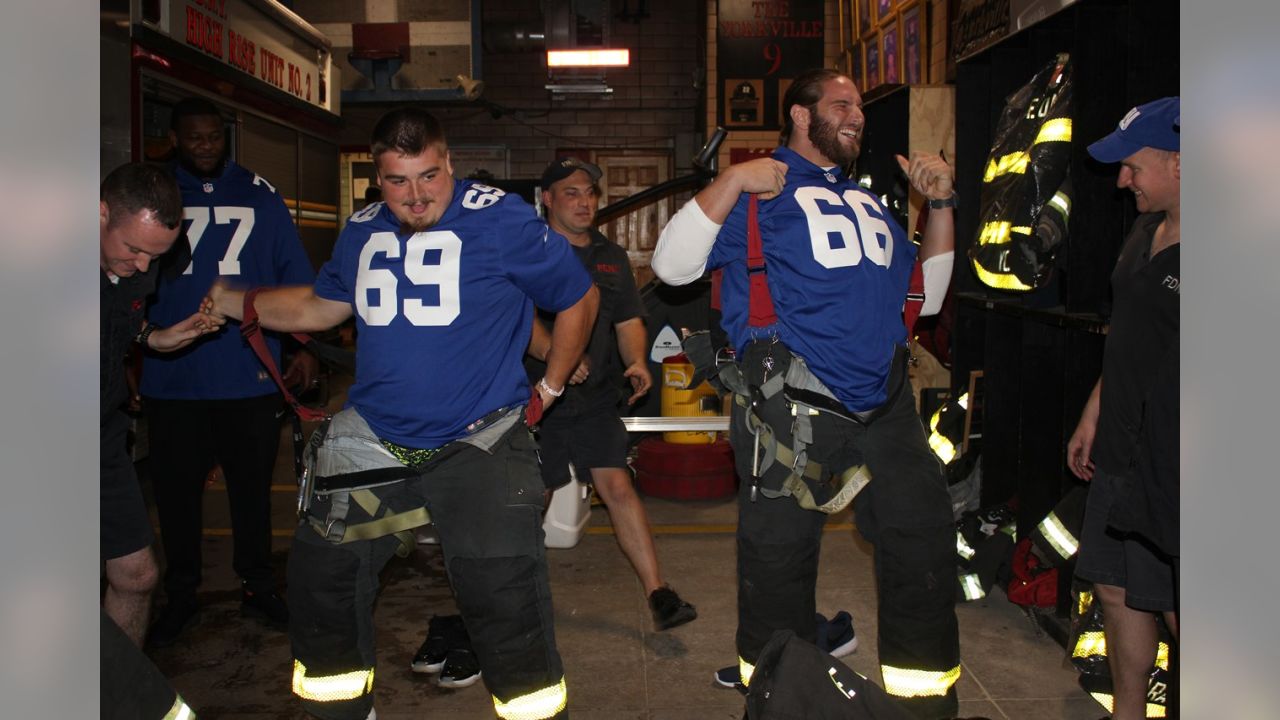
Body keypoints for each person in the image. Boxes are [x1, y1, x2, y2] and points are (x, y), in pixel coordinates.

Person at [204, 107, 598, 720]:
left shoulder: (502, 220)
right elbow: (319, 308)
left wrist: (547, 390)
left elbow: (579, 296)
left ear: (449, 164)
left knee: (502, 599)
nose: (415, 197)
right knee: (321, 585)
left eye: (429, 177)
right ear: (376, 176)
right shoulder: (360, 229)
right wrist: (235, 300)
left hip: (481, 437)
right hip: (375, 437)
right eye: (397, 181)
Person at [651, 68, 963, 719]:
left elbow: (925, 297)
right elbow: (671, 266)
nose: (856, 115)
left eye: (858, 107)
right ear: (799, 114)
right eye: (841, 103)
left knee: (923, 540)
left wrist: (939, 207)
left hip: (886, 409)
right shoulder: (758, 195)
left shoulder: (871, 202)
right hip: (788, 413)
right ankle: (777, 701)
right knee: (777, 569)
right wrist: (734, 178)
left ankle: (924, 705)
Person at [142, 96, 317, 647]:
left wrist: (302, 346)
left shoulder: (259, 194)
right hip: (173, 377)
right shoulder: (155, 194)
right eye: (194, 137)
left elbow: (293, 276)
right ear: (174, 137)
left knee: (250, 489)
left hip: (248, 372)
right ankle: (183, 593)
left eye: (215, 136)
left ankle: (258, 584)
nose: (206, 146)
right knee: (176, 495)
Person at [529, 157, 697, 630]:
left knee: (618, 486)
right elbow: (519, 321)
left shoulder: (610, 255)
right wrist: (556, 358)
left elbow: (627, 319)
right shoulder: (531, 251)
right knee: (534, 495)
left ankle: (659, 594)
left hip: (597, 396)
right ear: (547, 199)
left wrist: (637, 361)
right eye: (571, 193)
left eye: (590, 193)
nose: (585, 202)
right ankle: (513, 595)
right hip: (539, 397)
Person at [1067, 96, 1180, 720]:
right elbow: (1127, 335)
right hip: (1120, 446)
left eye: (1133, 166)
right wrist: (1093, 411)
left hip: (1177, 463)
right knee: (1115, 587)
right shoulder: (1144, 229)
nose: (1122, 180)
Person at [100, 161, 223, 646]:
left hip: (100, 438)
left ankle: (112, 698)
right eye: (133, 249)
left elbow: (122, 322)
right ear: (99, 213)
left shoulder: (135, 262)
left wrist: (158, 337)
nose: (144, 267)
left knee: (136, 576)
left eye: (157, 255)